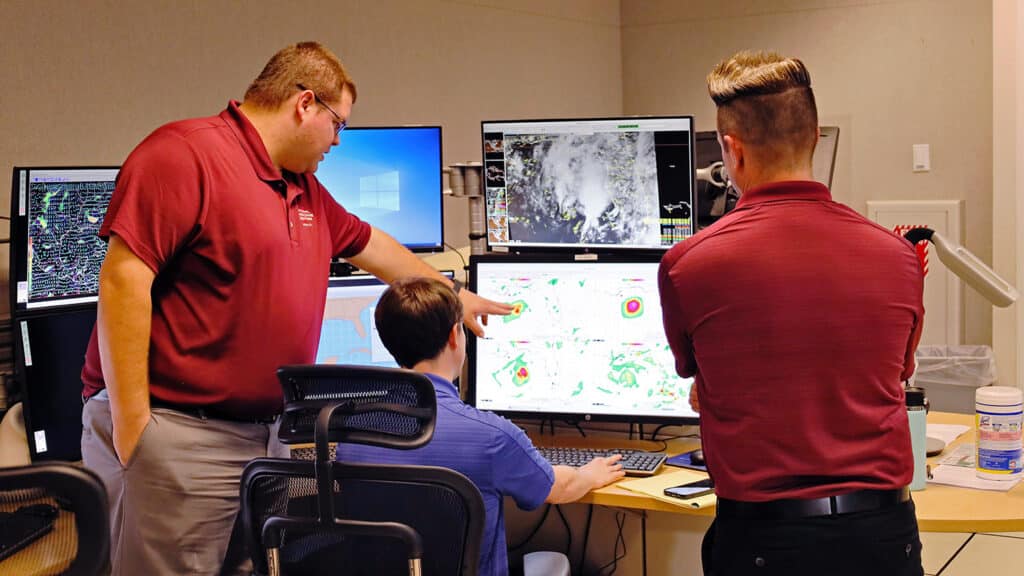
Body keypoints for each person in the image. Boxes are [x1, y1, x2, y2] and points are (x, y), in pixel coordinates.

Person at [79, 41, 512, 576]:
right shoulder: (184, 155)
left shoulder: (302, 188)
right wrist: (133, 428)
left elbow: (370, 244)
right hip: (179, 434)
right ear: (304, 103)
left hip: (262, 441)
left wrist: (453, 296)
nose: (337, 140)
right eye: (338, 124)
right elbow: (123, 280)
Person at [658, 51, 925, 576]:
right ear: (815, 137)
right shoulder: (898, 257)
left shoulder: (688, 264)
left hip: (762, 539)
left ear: (731, 152)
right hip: (883, 536)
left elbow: (697, 374)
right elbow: (894, 373)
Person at [339, 277, 626, 576]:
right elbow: (557, 488)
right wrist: (588, 475)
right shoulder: (492, 437)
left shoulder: (351, 432)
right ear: (454, 335)